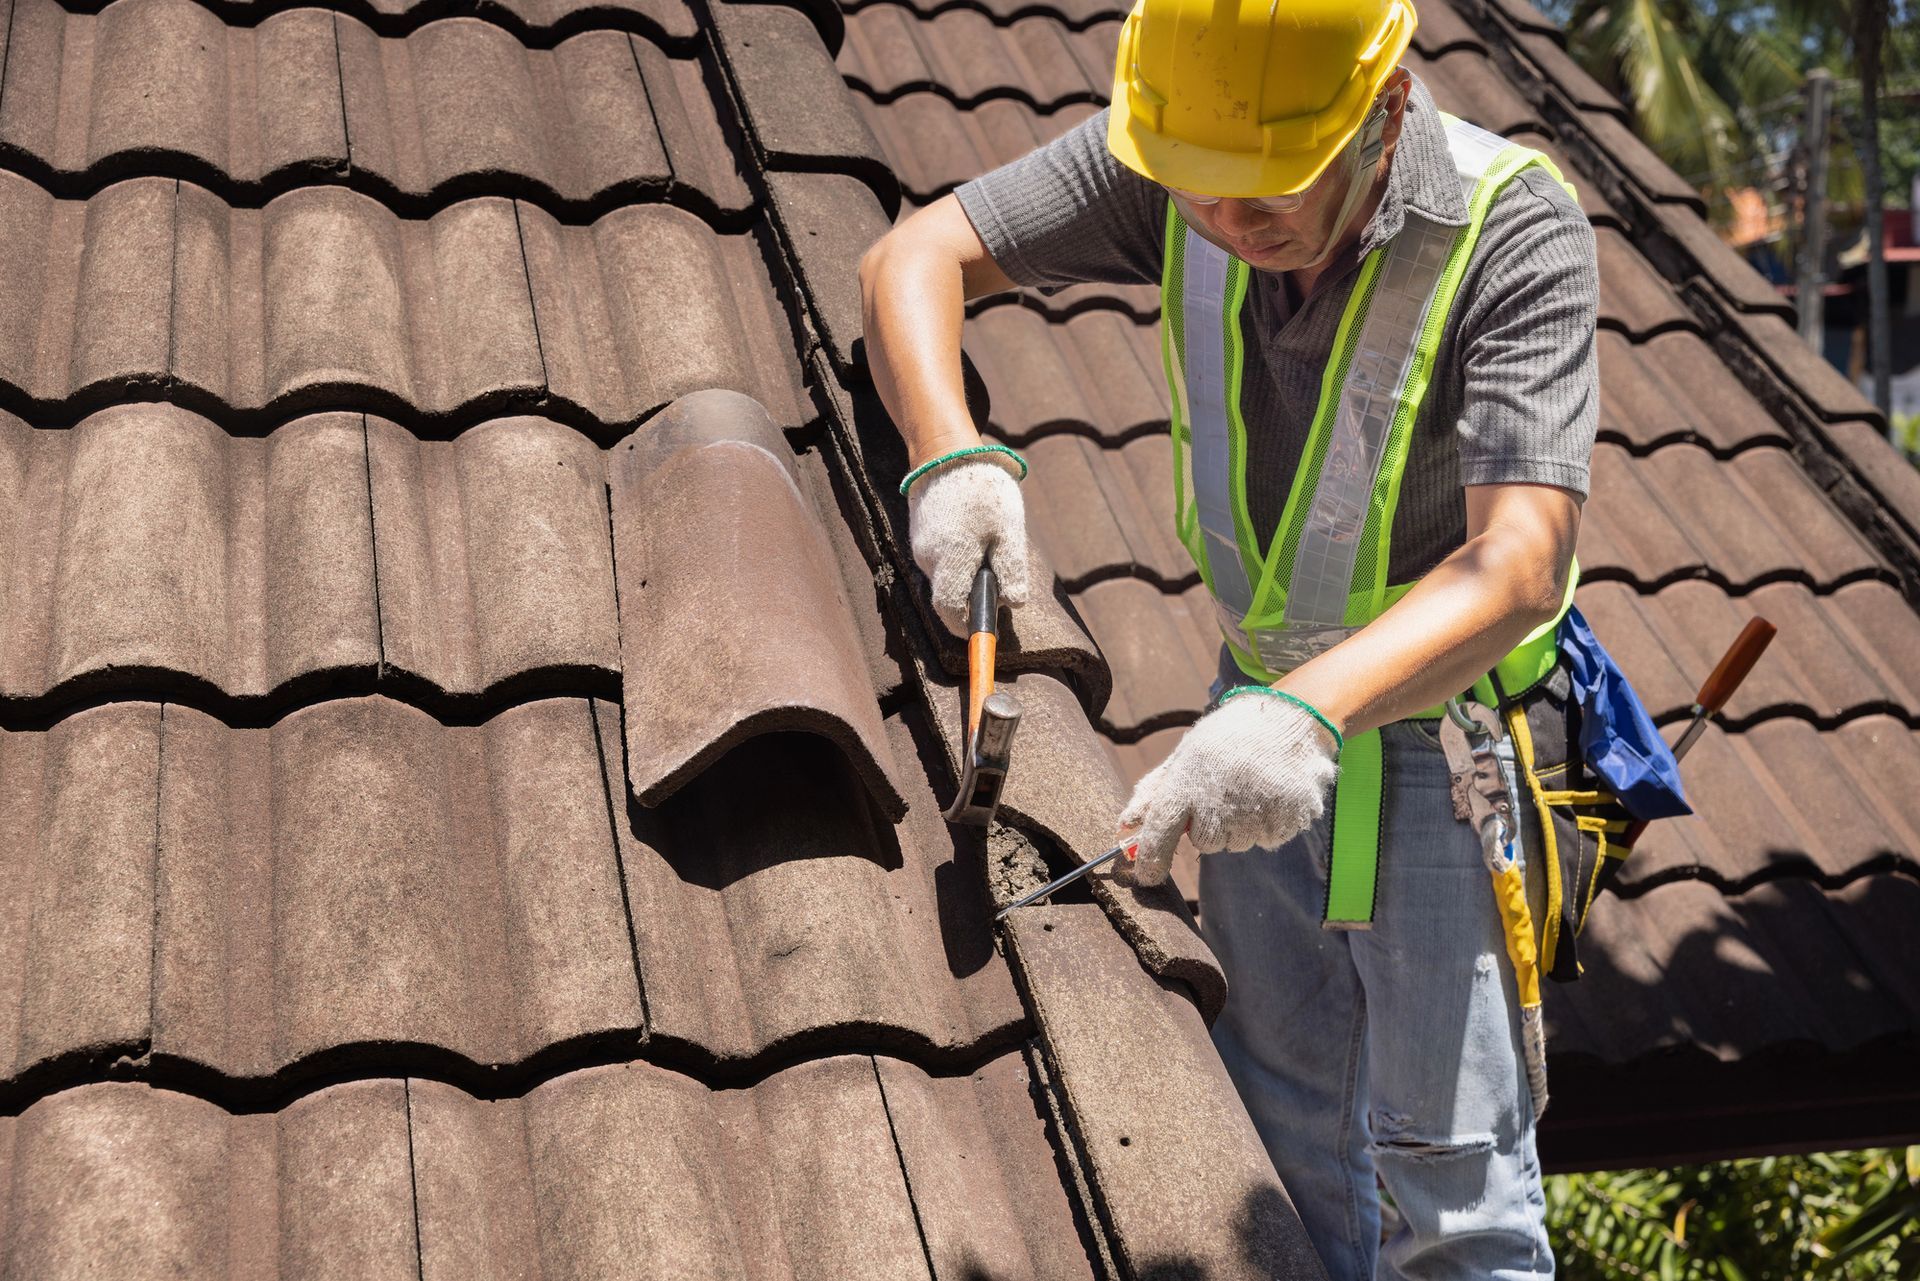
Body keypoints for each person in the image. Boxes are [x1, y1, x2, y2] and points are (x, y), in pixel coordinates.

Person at [860, 0, 1599, 1273]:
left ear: (1386, 107)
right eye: (1194, 194)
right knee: (1285, 1148)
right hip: (1251, 724)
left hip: (1439, 752)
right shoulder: (1183, 149)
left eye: (1269, 194)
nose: (1224, 222)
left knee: (1452, 1191)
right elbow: (914, 257)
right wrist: (950, 458)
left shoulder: (1517, 229)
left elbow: (1520, 560)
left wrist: (1306, 713)